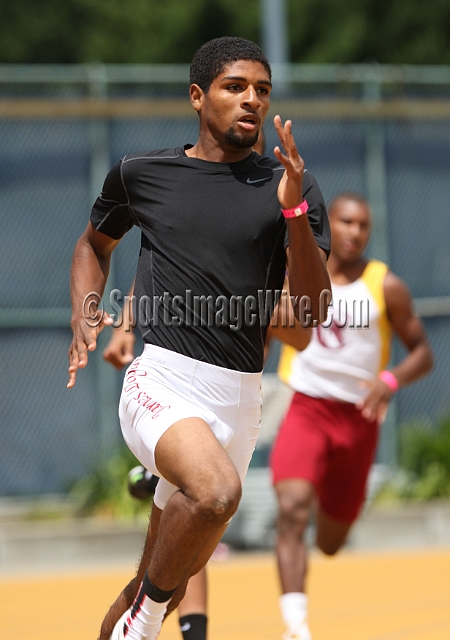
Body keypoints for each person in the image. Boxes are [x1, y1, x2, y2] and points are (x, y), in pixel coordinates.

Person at [68, 36, 331, 640]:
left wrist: (292, 212)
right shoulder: (143, 174)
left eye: (262, 91)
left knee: (153, 577)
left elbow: (312, 314)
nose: (251, 101)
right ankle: (149, 620)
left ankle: (142, 612)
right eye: (235, 87)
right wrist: (87, 310)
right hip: (161, 378)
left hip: (239, 397)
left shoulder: (292, 182)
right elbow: (93, 245)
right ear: (197, 95)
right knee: (215, 495)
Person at [269, 192, 434, 640]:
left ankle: (326, 495)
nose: (354, 232)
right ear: (329, 224)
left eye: (363, 225)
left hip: (358, 419)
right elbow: (265, 327)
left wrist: (391, 380)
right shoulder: (297, 276)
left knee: (329, 543)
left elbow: (423, 353)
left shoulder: (386, 286)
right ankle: (296, 627)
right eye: (344, 222)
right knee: (291, 509)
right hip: (307, 408)